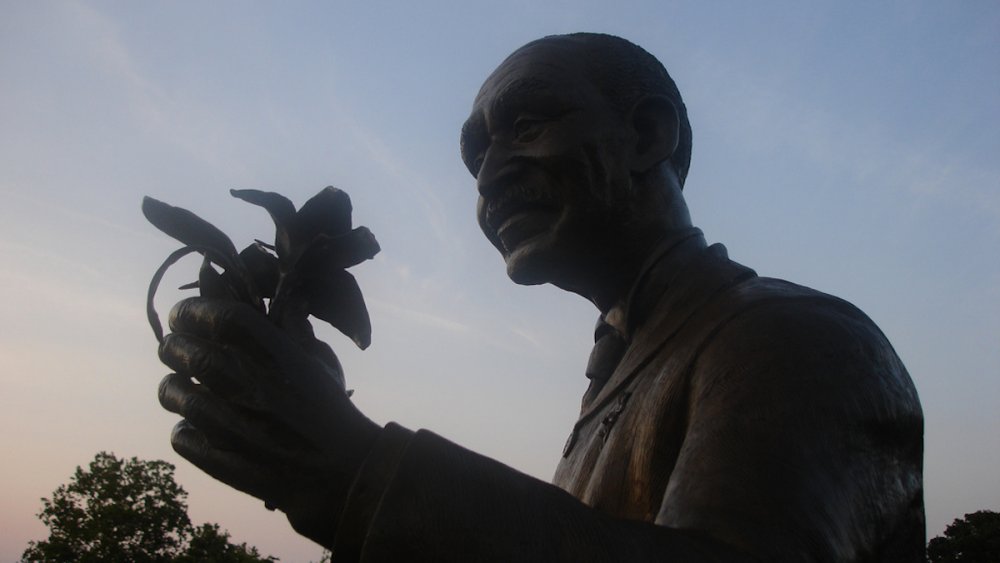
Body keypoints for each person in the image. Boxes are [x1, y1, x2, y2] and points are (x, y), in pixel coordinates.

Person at [156, 33, 924, 561]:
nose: (488, 175)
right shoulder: (627, 374)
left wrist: (363, 474)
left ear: (648, 134)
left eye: (525, 125)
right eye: (475, 155)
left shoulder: (792, 339)